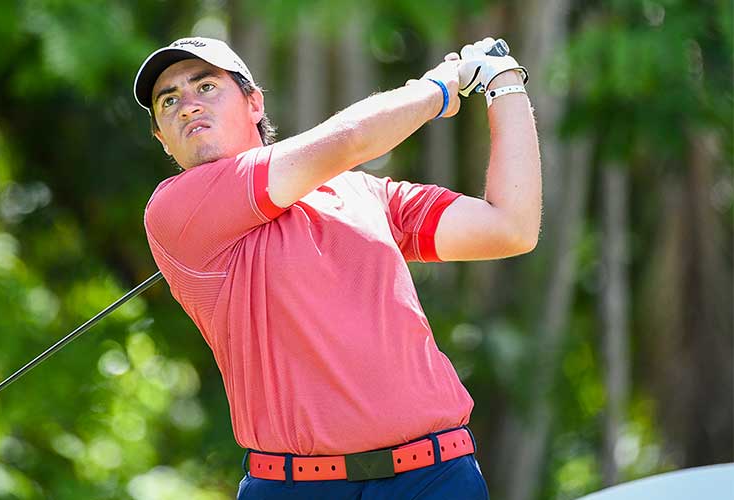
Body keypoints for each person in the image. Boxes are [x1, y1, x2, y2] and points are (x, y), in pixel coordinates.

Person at [133, 36, 540, 500]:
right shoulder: (174, 208)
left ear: (253, 103)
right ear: (162, 139)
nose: (187, 106)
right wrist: (440, 87)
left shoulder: (363, 194)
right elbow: (349, 139)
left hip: (434, 477)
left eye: (206, 86)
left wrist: (503, 83)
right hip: (295, 487)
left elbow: (511, 227)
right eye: (169, 101)